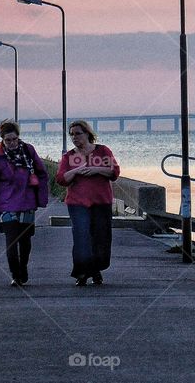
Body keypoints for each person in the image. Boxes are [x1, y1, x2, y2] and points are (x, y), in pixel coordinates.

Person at [0, 120, 49, 287]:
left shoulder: (28, 150)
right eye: (7, 140)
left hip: (27, 201)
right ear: (2, 139)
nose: (11, 143)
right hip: (6, 203)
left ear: (18, 138)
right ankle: (15, 275)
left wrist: (41, 198)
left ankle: (23, 268)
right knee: (11, 240)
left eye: (14, 139)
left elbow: (42, 173)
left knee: (25, 241)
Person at [55, 120, 120, 287]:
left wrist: (96, 169)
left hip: (101, 202)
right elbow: (61, 179)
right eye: (72, 135)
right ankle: (82, 273)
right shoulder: (69, 156)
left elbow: (114, 172)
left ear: (87, 134)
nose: (75, 137)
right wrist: (76, 170)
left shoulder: (102, 151)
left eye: (78, 134)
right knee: (81, 237)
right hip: (78, 203)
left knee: (100, 237)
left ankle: (96, 270)